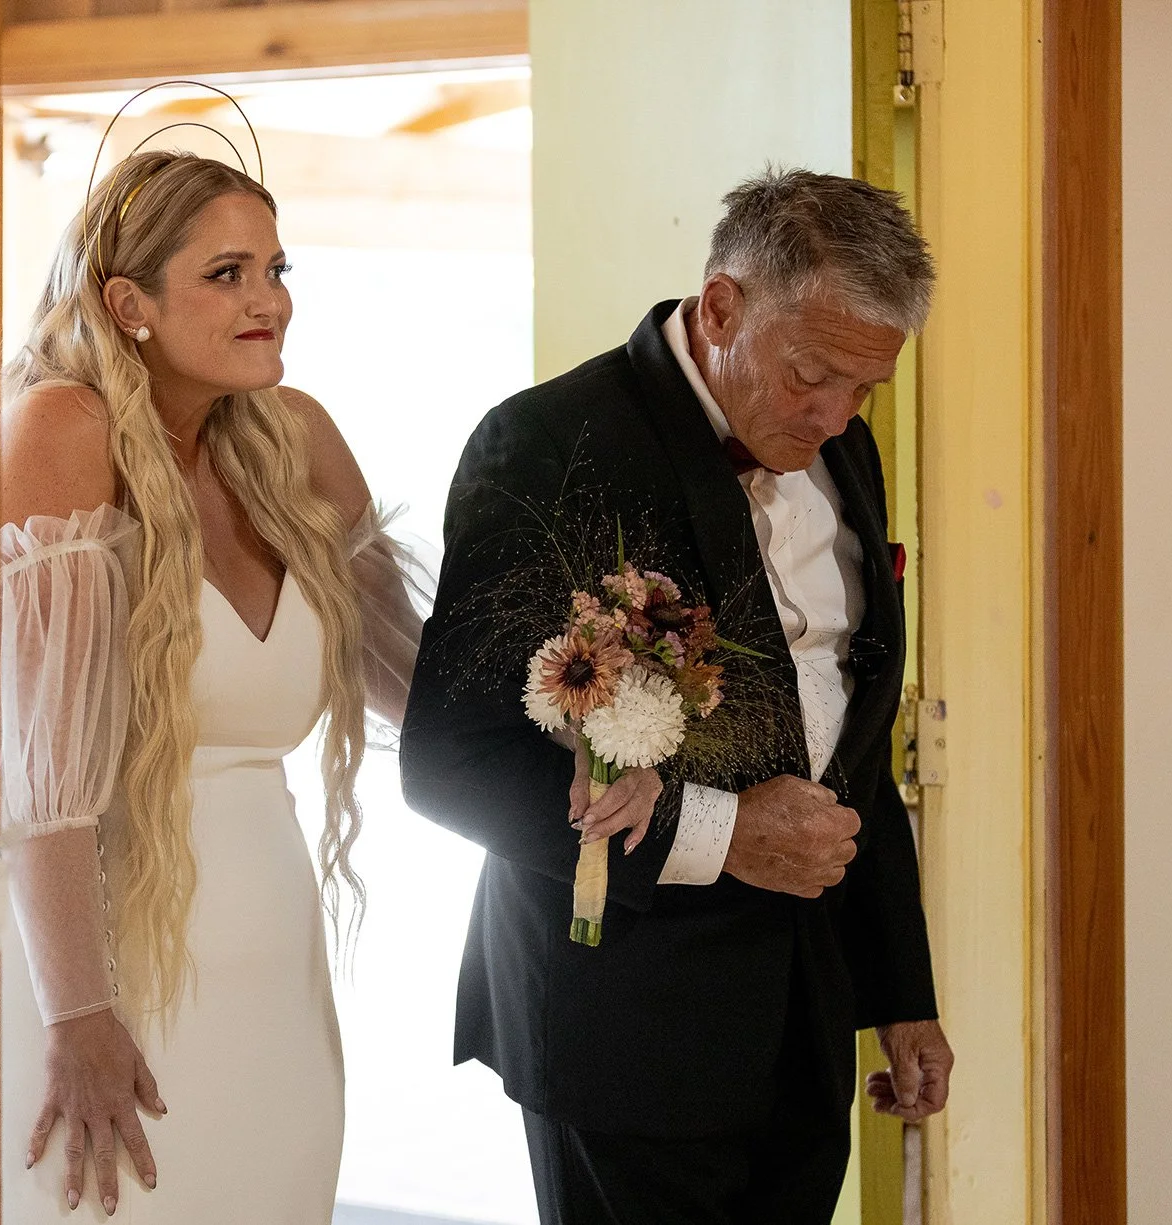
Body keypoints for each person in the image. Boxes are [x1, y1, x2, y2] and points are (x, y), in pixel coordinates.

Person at [400, 168, 954, 1224]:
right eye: (811, 375)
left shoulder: (843, 446)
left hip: (802, 1022)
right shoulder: (548, 445)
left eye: (864, 389)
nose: (834, 416)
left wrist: (899, 992)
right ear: (721, 306)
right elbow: (451, 762)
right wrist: (722, 835)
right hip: (622, 1025)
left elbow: (851, 734)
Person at [0, 149, 424, 1223]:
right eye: (226, 274)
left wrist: (590, 712)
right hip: (114, 969)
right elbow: (41, 779)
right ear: (127, 304)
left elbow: (414, 679)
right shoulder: (61, 429)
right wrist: (77, 1015)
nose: (268, 301)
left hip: (276, 972)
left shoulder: (295, 437)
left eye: (276, 269)